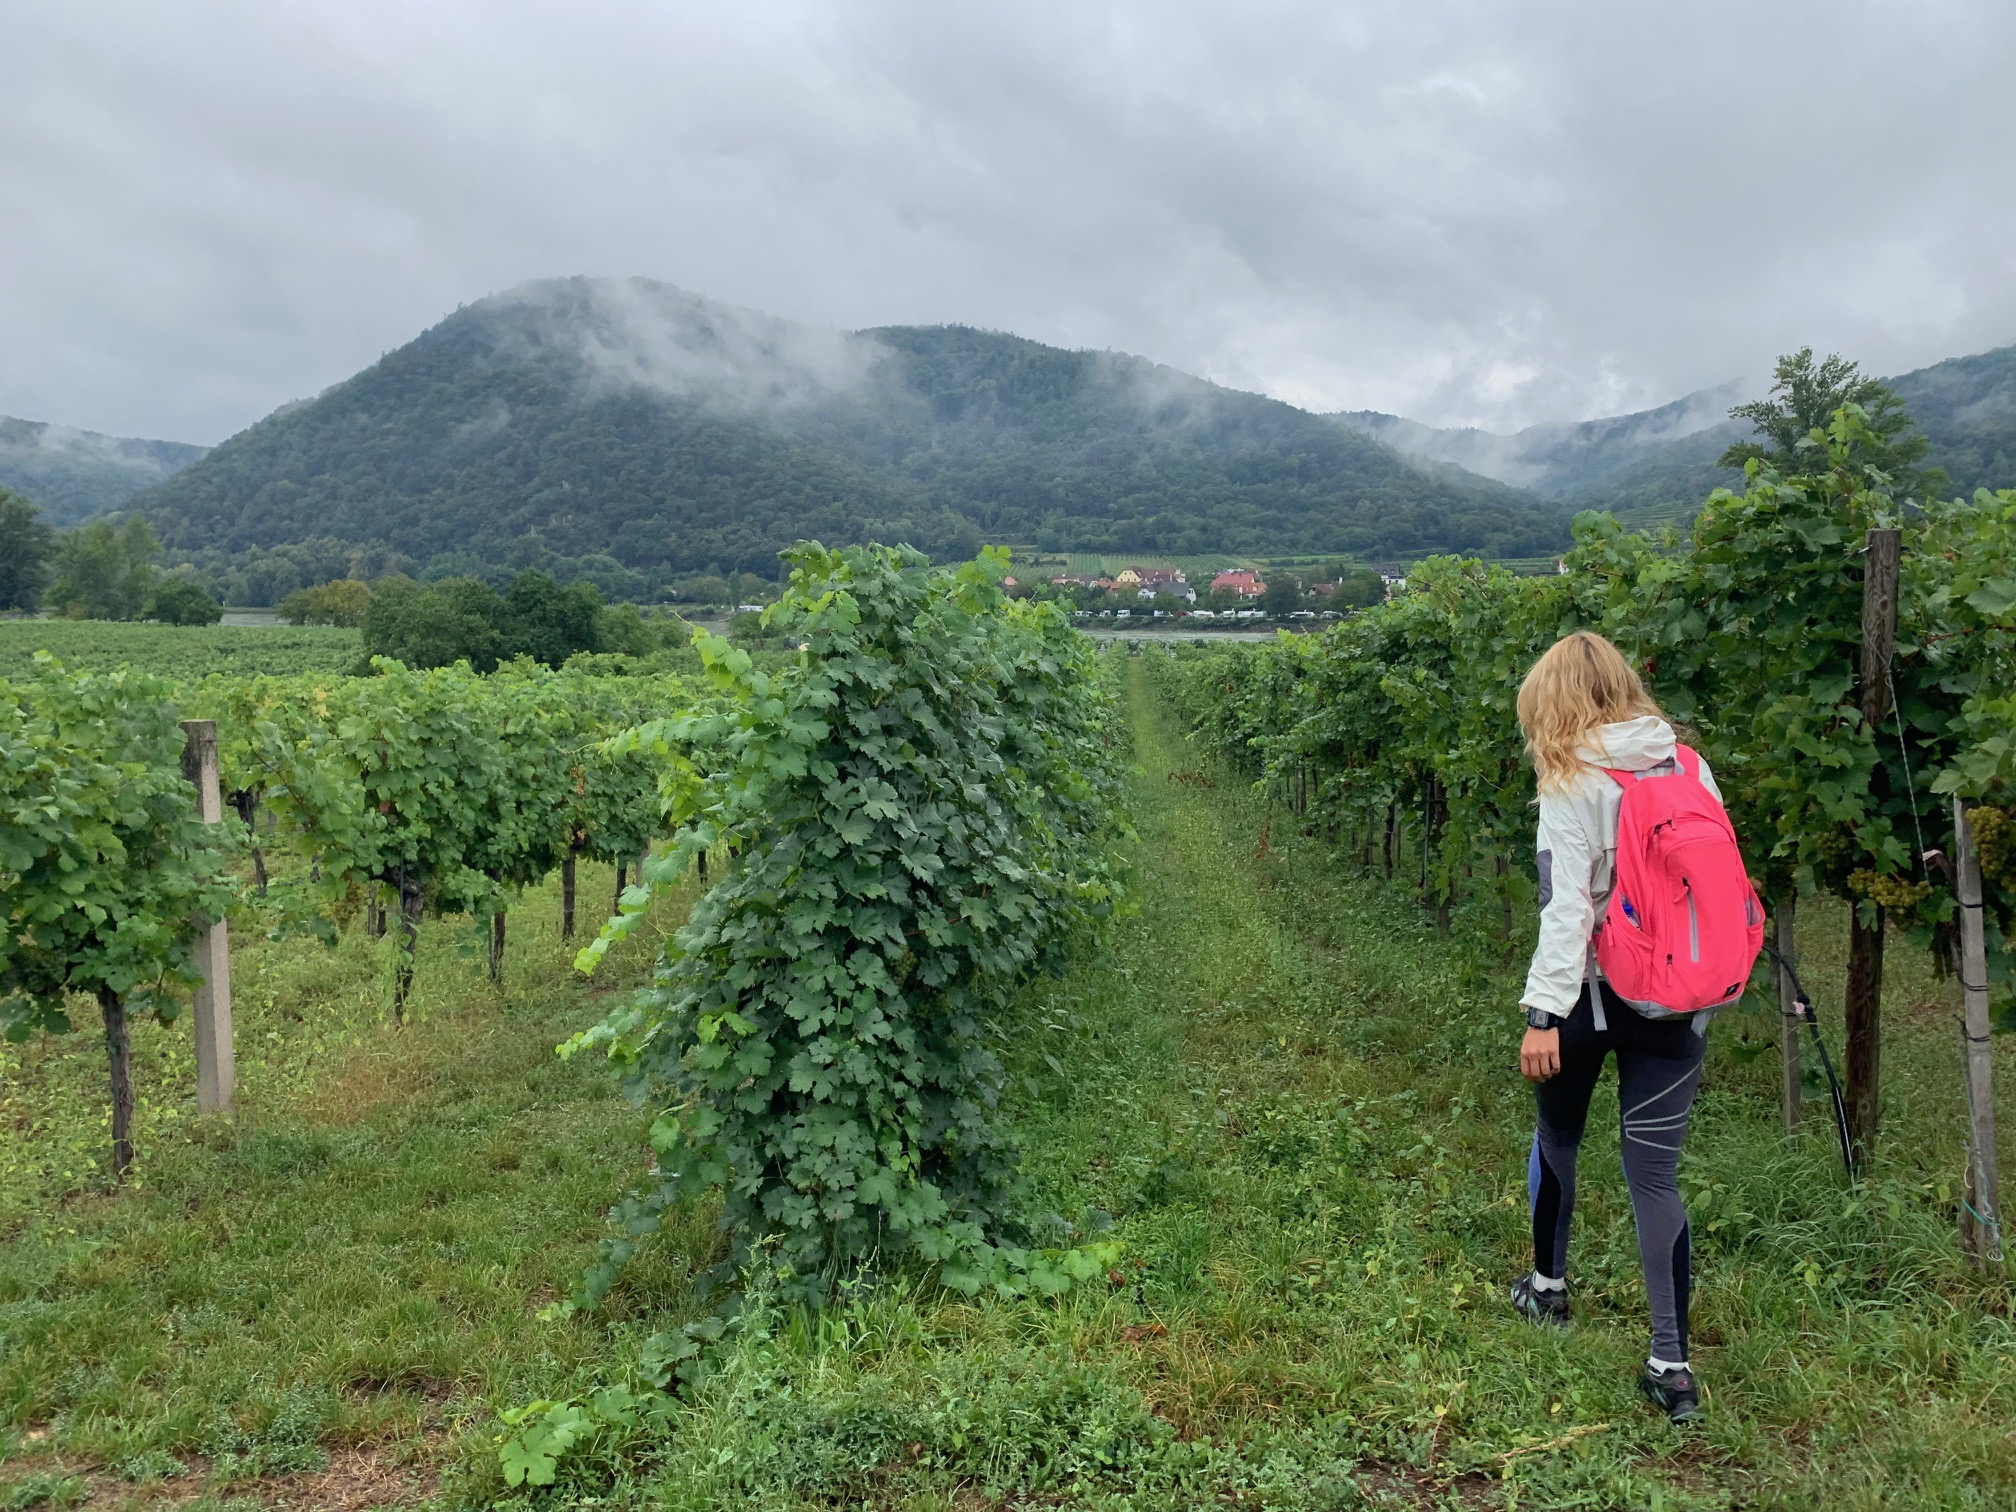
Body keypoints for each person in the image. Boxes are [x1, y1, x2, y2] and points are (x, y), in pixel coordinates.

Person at [1509, 631, 1720, 1423]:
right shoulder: (1690, 766)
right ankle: (1671, 1366)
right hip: (1676, 1003)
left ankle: (1550, 1291)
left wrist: (1542, 1015)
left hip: (1591, 1001)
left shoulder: (1571, 777)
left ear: (1553, 700)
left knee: (1559, 1140)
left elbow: (1567, 911)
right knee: (1656, 1179)